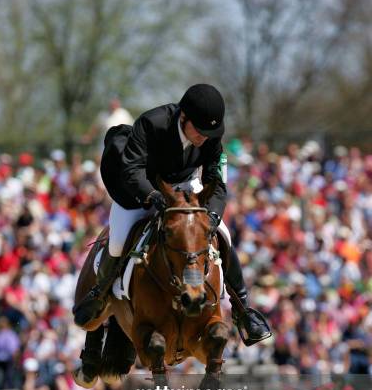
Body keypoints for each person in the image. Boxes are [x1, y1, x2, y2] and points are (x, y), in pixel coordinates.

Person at [73, 84, 271, 345]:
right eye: (199, 131)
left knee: (223, 234)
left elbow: (218, 183)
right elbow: (132, 170)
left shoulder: (210, 136)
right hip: (141, 188)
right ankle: (100, 294)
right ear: (183, 117)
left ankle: (244, 310)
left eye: (209, 133)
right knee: (120, 239)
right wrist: (154, 197)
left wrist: (211, 215)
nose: (203, 137)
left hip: (186, 187)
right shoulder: (151, 124)